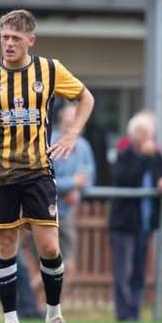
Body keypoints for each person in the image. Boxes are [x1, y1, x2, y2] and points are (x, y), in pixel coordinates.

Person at [0, 9, 95, 323]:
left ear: (30, 40)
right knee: (5, 245)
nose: (9, 44)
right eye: (4, 38)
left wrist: (71, 135)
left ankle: (54, 313)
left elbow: (86, 98)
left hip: (38, 170)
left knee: (50, 247)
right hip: (0, 173)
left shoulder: (49, 70)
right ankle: (10, 319)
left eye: (15, 38)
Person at [110, 111, 162, 322]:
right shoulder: (124, 154)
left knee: (139, 271)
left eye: (151, 134)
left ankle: (135, 312)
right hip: (124, 223)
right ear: (134, 134)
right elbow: (123, 178)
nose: (149, 138)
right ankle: (124, 315)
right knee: (123, 272)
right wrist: (143, 159)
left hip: (146, 223)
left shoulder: (156, 155)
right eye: (145, 133)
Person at [51, 103, 96, 289]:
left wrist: (77, 190)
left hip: (69, 213)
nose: (71, 127)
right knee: (45, 257)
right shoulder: (49, 140)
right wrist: (72, 184)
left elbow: (89, 178)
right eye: (68, 122)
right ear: (60, 122)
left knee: (68, 259)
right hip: (45, 211)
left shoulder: (84, 146)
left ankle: (57, 303)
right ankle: (35, 300)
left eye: (75, 123)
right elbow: (46, 180)